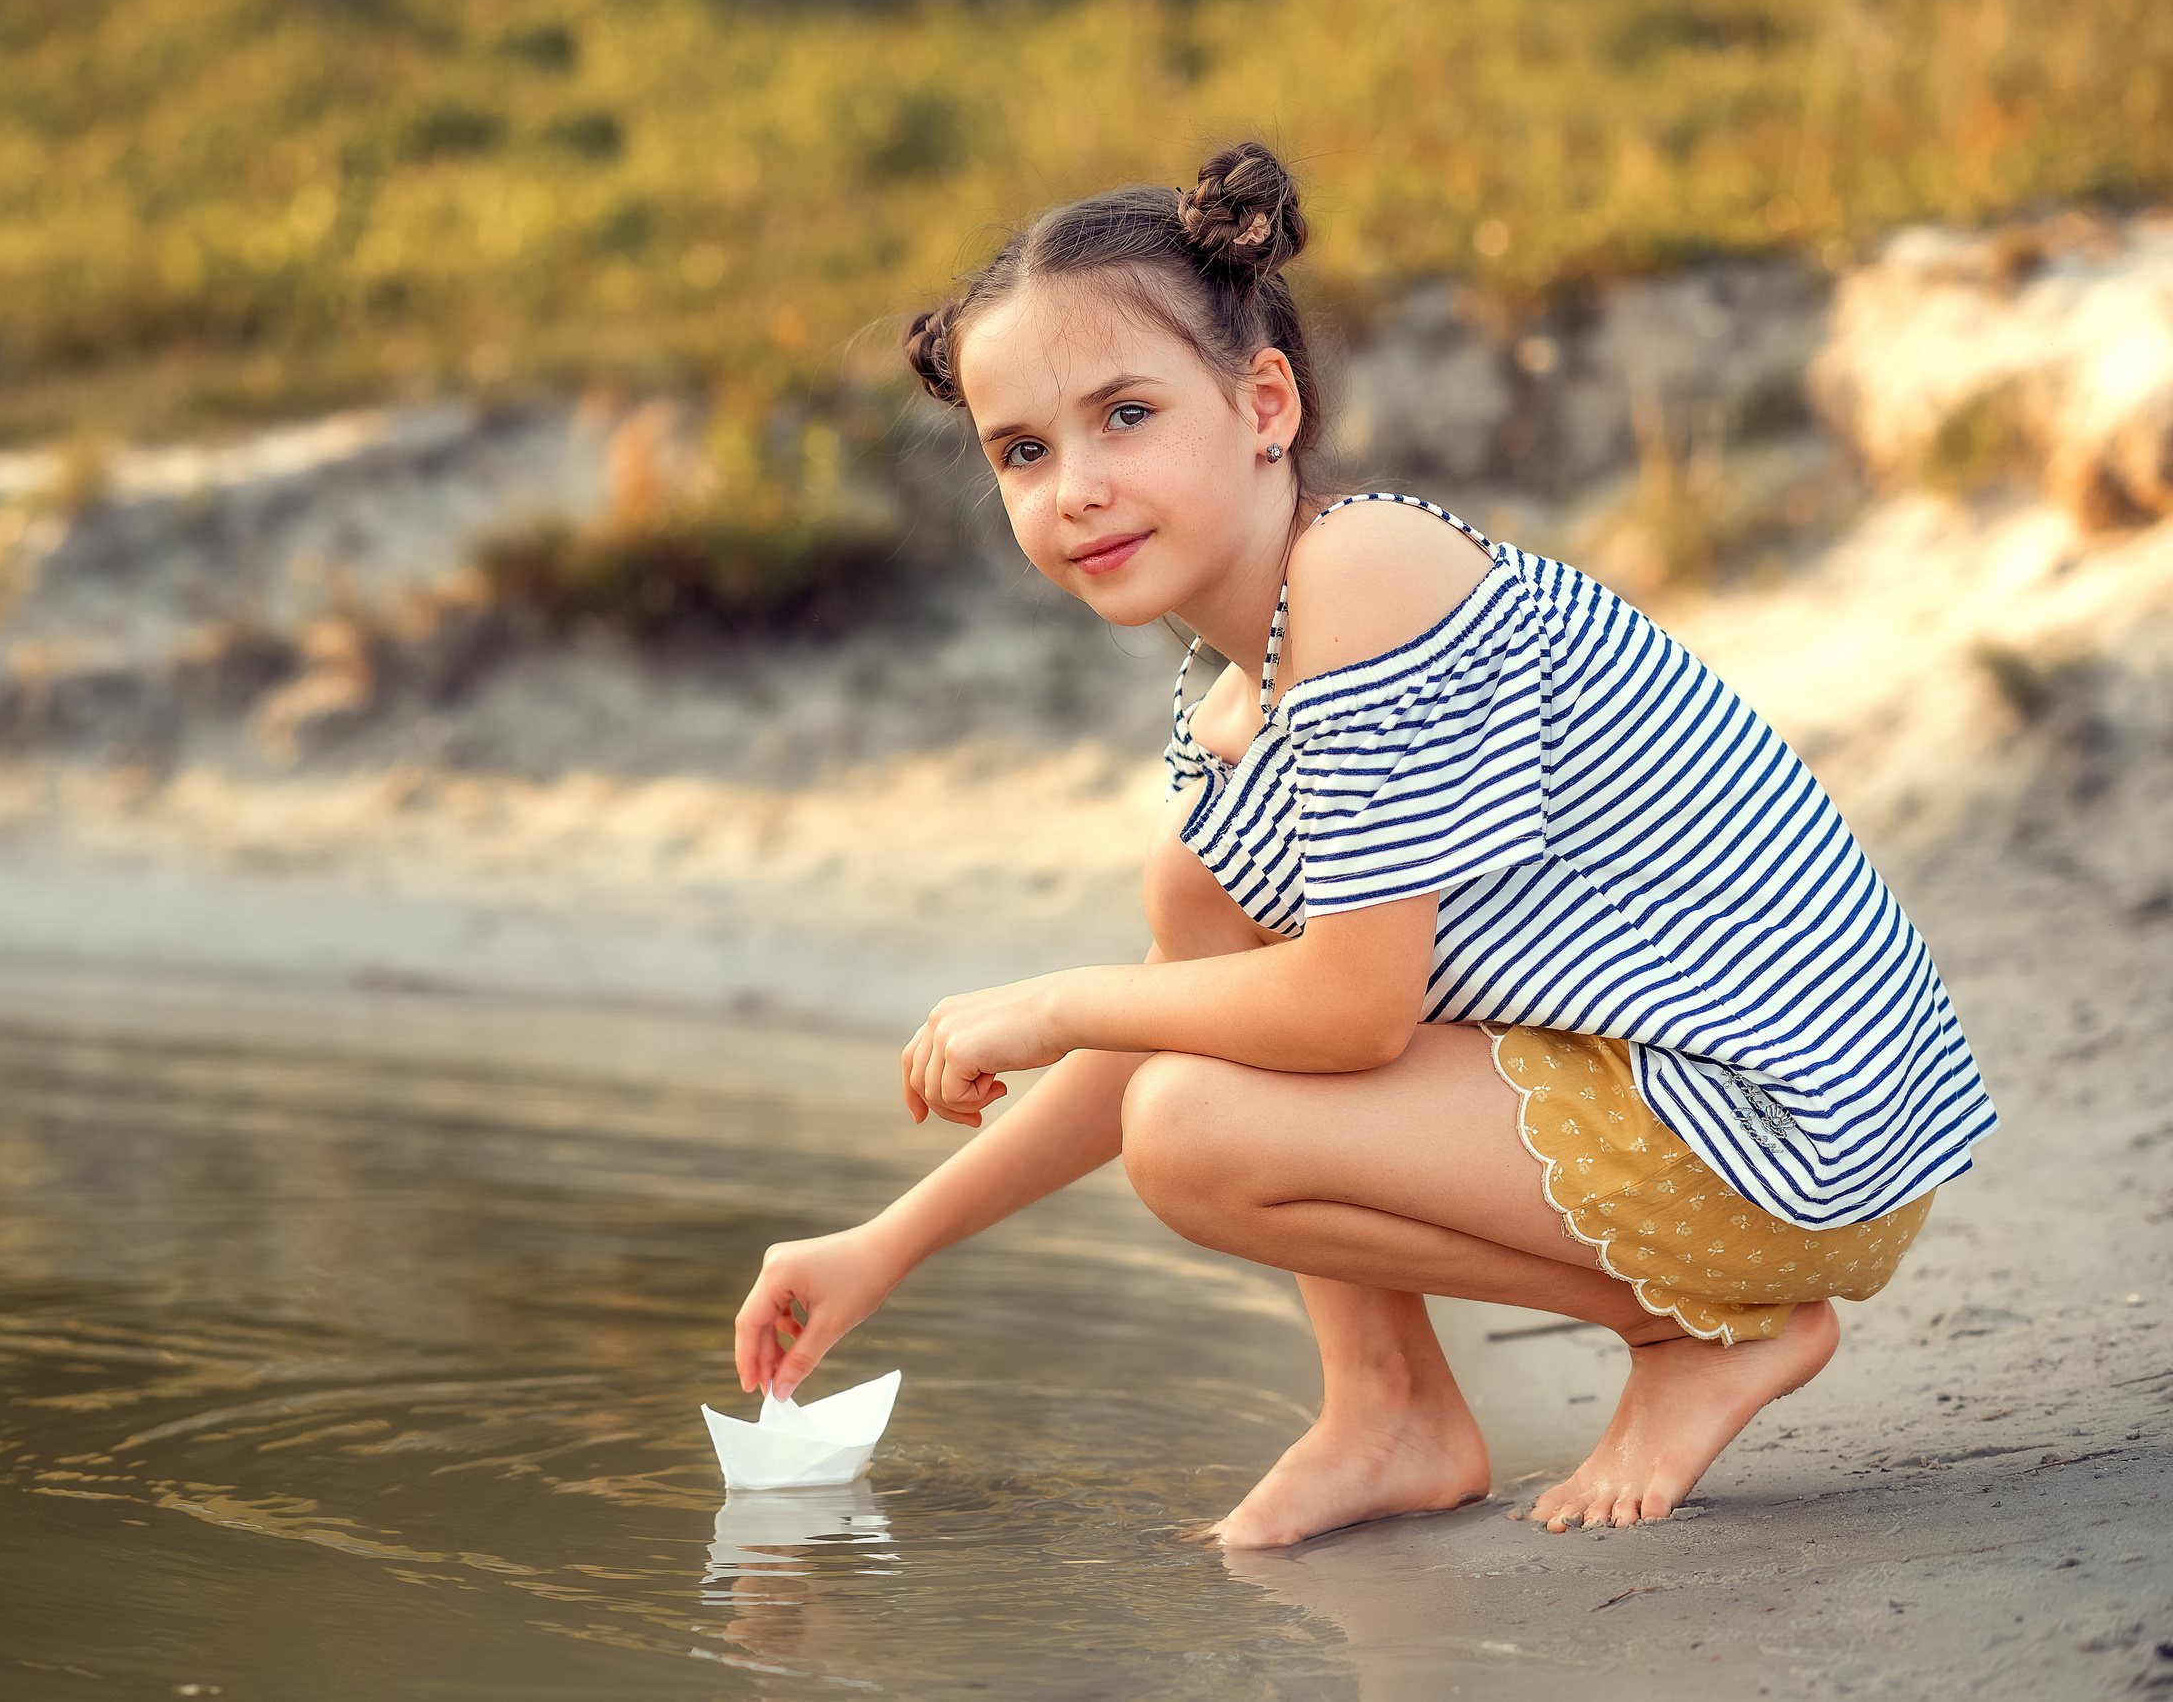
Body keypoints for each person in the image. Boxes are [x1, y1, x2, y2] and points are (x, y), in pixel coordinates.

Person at [730, 141, 1997, 1546]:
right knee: (1196, 931)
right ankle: (1387, 1408)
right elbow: (1177, 1017)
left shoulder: (1369, 570)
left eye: (1126, 416)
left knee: (1197, 1125)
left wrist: (1043, 1000)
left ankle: (1703, 1337)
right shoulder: (1235, 709)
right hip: (1691, 1114)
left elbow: (1346, 1011)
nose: (1074, 484)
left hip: (1790, 1126)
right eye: (1024, 451)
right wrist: (883, 1246)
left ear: (1264, 402)